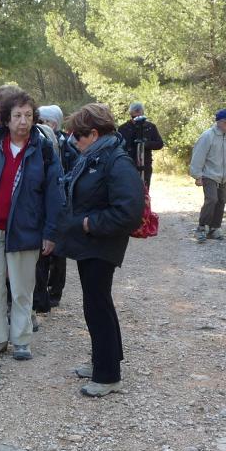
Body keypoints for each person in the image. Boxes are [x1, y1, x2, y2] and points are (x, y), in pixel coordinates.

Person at [55, 104, 144, 397]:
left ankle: (108, 376)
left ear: (94, 134)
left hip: (101, 243)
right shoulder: (97, 156)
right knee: (96, 304)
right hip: (90, 242)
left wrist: (88, 223)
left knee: (98, 305)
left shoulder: (116, 161)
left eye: (78, 135)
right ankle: (102, 362)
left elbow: (130, 212)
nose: (73, 140)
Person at [0, 90, 62, 361]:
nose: (23, 121)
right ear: (6, 119)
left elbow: (54, 193)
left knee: (23, 289)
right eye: (17, 116)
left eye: (28, 115)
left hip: (26, 231)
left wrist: (50, 232)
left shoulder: (43, 148)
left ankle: (21, 340)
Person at [33, 105, 68, 312]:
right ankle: (42, 296)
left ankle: (55, 291)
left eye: (45, 121)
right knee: (42, 255)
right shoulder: (40, 143)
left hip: (61, 205)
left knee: (58, 252)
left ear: (54, 123)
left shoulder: (66, 143)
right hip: (43, 205)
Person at [190, 108, 226, 243]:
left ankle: (214, 229)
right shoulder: (208, 136)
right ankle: (201, 229)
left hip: (224, 176)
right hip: (209, 174)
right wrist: (197, 175)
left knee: (221, 201)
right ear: (219, 122)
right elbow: (198, 156)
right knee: (212, 200)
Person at [117, 102, 165, 189]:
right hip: (128, 164)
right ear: (130, 113)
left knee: (144, 190)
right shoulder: (123, 129)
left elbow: (159, 144)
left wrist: (145, 144)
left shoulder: (150, 127)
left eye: (139, 111)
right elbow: (118, 147)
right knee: (129, 190)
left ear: (143, 112)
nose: (137, 114)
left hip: (145, 165)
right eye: (135, 113)